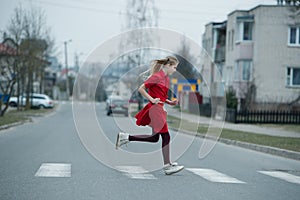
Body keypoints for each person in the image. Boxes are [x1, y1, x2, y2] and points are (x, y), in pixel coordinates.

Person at [115, 56, 184, 175]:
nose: (175, 70)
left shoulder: (165, 78)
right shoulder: (156, 77)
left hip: (159, 109)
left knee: (155, 138)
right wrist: (152, 99)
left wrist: (169, 102)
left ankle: (125, 137)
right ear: (167, 66)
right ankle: (167, 166)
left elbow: (160, 96)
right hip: (155, 110)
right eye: (174, 67)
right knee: (166, 136)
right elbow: (141, 89)